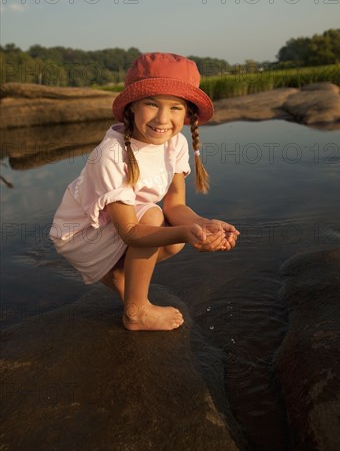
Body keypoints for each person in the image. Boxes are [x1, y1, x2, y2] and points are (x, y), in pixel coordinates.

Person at [50, 52, 239, 331]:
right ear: (132, 108)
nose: (163, 118)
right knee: (153, 218)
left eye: (175, 107)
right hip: (82, 232)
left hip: (116, 224)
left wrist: (202, 225)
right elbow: (129, 231)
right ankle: (135, 312)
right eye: (151, 104)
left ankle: (119, 275)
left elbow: (175, 206)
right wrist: (186, 234)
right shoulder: (113, 153)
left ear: (187, 113)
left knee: (170, 235)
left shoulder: (175, 144)